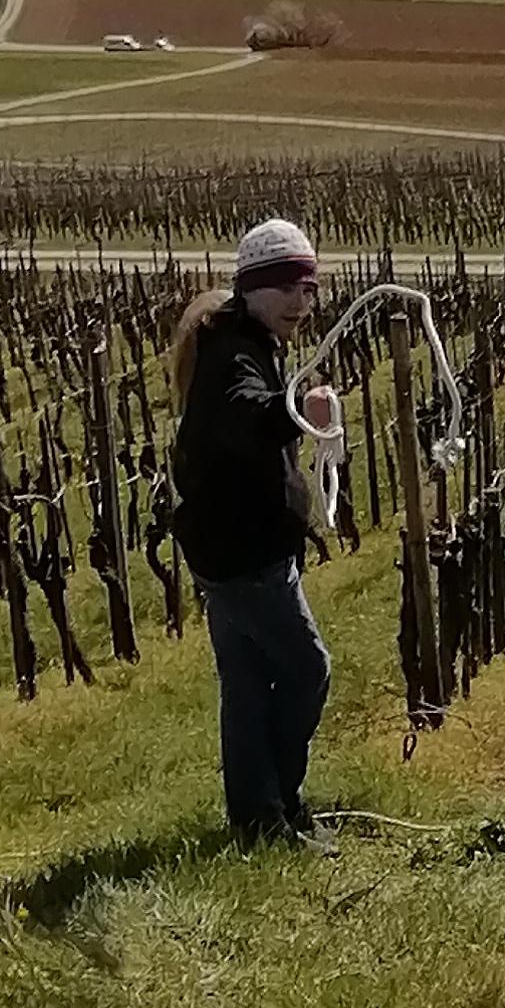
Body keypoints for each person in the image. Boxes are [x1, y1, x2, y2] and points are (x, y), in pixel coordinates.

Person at [168, 217, 341, 842]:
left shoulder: (244, 340)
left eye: (309, 288)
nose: (300, 301)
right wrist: (299, 411)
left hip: (226, 548)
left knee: (244, 685)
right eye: (287, 286)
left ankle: (257, 817)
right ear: (252, 286)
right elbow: (247, 415)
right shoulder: (235, 354)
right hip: (246, 556)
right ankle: (279, 803)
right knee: (306, 670)